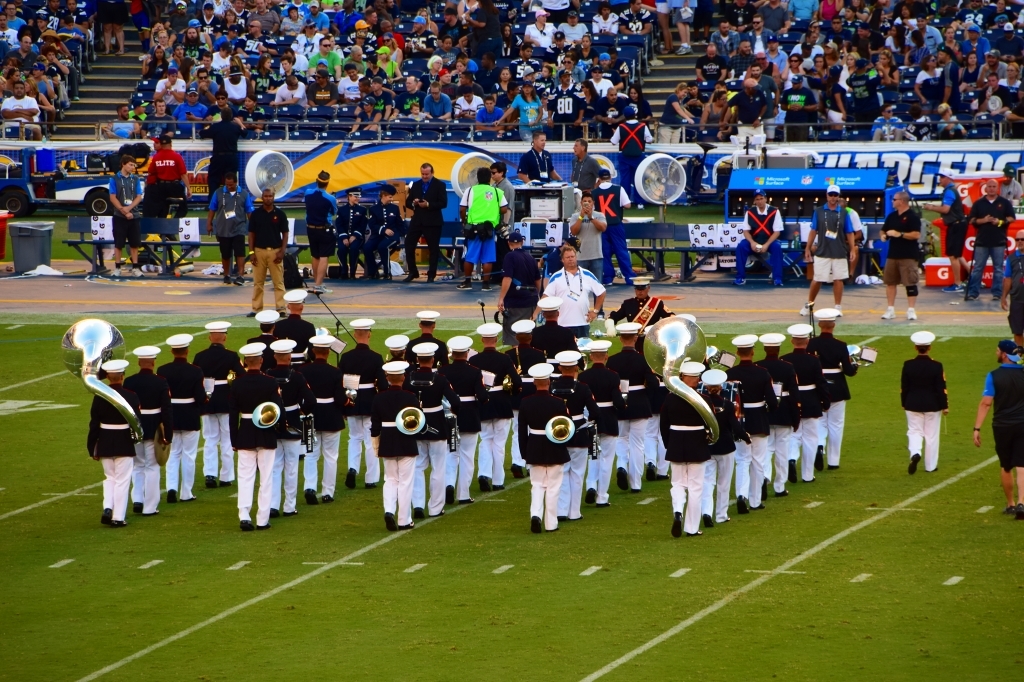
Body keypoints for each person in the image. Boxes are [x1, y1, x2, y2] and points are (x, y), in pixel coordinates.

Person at [228, 342, 283, 531]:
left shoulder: (237, 383)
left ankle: (244, 516)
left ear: (245, 362)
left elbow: (233, 414)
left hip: (244, 432)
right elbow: (277, 410)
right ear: (261, 361)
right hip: (266, 432)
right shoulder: (270, 382)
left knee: (245, 477)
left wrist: (234, 439)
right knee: (266, 478)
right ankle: (262, 519)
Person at [404, 342, 459, 519]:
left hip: (414, 425)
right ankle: (435, 507)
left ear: (417, 359)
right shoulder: (440, 379)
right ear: (433, 359)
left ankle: (418, 505)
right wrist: (453, 411)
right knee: (438, 468)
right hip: (437, 425)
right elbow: (455, 401)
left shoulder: (408, 378)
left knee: (417, 467)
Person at [726, 334, 778, 513]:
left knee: (742, 459)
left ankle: (741, 495)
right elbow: (772, 401)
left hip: (739, 420)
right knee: (758, 461)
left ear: (737, 352)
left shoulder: (730, 374)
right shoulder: (762, 372)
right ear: (753, 352)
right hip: (759, 419)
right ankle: (755, 500)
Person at [974, 339, 1024, 519]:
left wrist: (977, 428)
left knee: (1006, 465)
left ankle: (1011, 504)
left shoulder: (994, 376)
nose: (996, 353)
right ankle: (1022, 502)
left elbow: (986, 403)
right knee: (1022, 465)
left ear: (1004, 355)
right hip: (1022, 424)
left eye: (997, 350)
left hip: (1002, 425)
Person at [659, 361, 710, 537]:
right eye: (695, 377)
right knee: (695, 487)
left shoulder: (670, 398)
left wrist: (669, 444)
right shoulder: (704, 399)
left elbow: (663, 424)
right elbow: (711, 424)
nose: (697, 379)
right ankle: (691, 528)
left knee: (677, 484)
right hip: (697, 444)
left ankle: (678, 511)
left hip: (676, 443)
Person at [519, 362, 571, 533]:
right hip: (555, 446)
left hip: (534, 446)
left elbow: (521, 431)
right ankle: (551, 523)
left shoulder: (526, 402)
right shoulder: (558, 402)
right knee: (553, 487)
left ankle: (536, 515)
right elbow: (566, 427)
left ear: (535, 382)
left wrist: (524, 452)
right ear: (549, 382)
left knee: (537, 485)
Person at [88, 359, 141, 527]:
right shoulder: (131, 396)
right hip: (123, 441)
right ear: (122, 376)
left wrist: (92, 446)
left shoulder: (100, 396)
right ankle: (118, 517)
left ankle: (107, 508)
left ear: (108, 378)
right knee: (122, 480)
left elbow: (94, 423)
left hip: (104, 440)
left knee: (109, 478)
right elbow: (137, 421)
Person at [265, 340, 315, 518]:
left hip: (272, 422)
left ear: (275, 356)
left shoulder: (267, 375)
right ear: (289, 357)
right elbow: (311, 400)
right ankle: (289, 506)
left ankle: (273, 505)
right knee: (292, 467)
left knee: (274, 467)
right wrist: (303, 411)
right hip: (292, 422)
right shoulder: (297, 376)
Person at [469, 322, 521, 492]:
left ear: (482, 340)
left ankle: (484, 474)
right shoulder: (504, 358)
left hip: (483, 402)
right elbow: (517, 381)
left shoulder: (474, 360)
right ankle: (498, 480)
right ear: (496, 339)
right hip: (501, 402)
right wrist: (511, 392)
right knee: (499, 443)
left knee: (485, 439)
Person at [607, 321, 658, 492]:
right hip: (640, 403)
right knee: (638, 444)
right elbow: (653, 383)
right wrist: (645, 395)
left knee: (622, 438)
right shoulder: (643, 359)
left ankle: (622, 465)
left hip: (620, 403)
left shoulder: (612, 360)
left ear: (621, 339)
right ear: (636, 338)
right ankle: (636, 483)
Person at [295, 335, 346, 505]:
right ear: (328, 352)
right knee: (330, 456)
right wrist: (348, 403)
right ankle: (327, 493)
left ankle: (309, 487)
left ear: (313, 351)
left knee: (310, 454)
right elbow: (340, 398)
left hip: (310, 416)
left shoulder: (303, 370)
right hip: (331, 416)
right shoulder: (335, 371)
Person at [125, 346, 173, 517]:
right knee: (152, 466)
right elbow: (166, 409)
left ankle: (137, 500)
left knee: (137, 465)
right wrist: (168, 434)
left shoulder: (129, 381)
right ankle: (150, 506)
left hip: (135, 426)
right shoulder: (160, 381)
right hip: (153, 427)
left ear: (139, 362)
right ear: (153, 362)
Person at [439, 335, 488, 504]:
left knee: (450, 453)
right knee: (467, 456)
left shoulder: (443, 371)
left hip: (448, 414)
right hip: (469, 415)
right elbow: (482, 396)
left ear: (452, 354)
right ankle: (463, 494)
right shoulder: (474, 371)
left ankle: (449, 484)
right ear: (467, 353)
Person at [157, 334, 206, 504]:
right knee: (189, 455)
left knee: (172, 454)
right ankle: (186, 492)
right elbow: (200, 397)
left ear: (172, 351)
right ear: (187, 351)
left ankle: (171, 488)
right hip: (190, 415)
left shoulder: (163, 370)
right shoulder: (195, 370)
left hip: (170, 415)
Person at [339, 318, 386, 490]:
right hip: (370, 401)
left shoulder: (346, 357)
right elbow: (383, 384)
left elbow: (343, 383)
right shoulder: (376, 357)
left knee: (354, 437)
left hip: (352, 399)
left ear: (354, 334)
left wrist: (345, 404)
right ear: (369, 334)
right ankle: (370, 479)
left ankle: (353, 468)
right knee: (370, 440)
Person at [806, 308, 856, 471]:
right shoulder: (840, 345)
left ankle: (819, 446)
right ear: (833, 325)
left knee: (819, 421)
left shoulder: (811, 343)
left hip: (817, 386)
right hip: (837, 387)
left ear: (819, 325)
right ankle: (833, 461)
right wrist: (855, 367)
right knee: (836, 425)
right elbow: (849, 371)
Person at [194, 321, 242, 488]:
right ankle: (226, 476)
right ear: (224, 337)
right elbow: (241, 375)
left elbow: (196, 378)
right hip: (226, 400)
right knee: (227, 439)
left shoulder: (200, 356)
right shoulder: (231, 356)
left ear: (210, 338)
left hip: (207, 399)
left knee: (210, 439)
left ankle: (210, 474)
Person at [553, 349, 600, 522]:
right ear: (576, 368)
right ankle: (574, 512)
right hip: (578, 432)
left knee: (562, 472)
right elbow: (595, 412)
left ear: (559, 368)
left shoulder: (552, 386)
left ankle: (561, 510)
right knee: (577, 473)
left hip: (557, 432)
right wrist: (587, 422)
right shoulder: (583, 387)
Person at [373, 360, 420, 530]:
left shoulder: (379, 397)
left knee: (390, 479)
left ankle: (389, 510)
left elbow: (375, 426)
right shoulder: (410, 397)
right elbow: (418, 420)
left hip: (387, 440)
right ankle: (404, 520)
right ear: (403, 377)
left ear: (387, 378)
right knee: (405, 481)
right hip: (406, 440)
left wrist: (376, 446)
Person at [578, 339, 625, 507]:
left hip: (591, 418)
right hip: (609, 419)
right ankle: (602, 496)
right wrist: (624, 403)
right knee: (607, 459)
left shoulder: (583, 376)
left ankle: (591, 485)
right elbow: (618, 401)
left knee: (594, 455)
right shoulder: (613, 375)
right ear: (606, 356)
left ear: (591, 356)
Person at [781, 323, 830, 483]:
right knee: (811, 438)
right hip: (811, 401)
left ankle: (791, 459)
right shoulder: (813, 360)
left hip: (791, 401)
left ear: (792, 341)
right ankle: (807, 475)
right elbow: (821, 383)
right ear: (807, 342)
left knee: (793, 435)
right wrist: (825, 401)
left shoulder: (785, 360)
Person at [699, 367, 746, 528]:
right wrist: (746, 437)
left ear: (706, 387)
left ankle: (706, 512)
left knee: (707, 481)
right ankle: (721, 515)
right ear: (720, 387)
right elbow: (735, 427)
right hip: (726, 446)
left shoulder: (701, 405)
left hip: (707, 446)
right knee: (724, 483)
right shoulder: (728, 404)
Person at [801, 185, 856, 318]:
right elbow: (813, 230)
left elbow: (849, 232)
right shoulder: (819, 211)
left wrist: (852, 249)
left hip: (839, 250)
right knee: (817, 279)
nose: (833, 197)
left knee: (838, 279)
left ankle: (838, 306)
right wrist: (807, 247)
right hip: (822, 250)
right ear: (826, 195)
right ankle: (809, 304)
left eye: (835, 195)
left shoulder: (844, 212)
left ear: (838, 196)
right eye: (830, 194)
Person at [755, 333, 800, 497]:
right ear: (779, 349)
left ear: (765, 349)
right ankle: (780, 486)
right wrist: (796, 417)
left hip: (764, 413)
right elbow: (794, 394)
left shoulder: (758, 366)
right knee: (782, 451)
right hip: (784, 412)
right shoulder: (787, 367)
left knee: (766, 450)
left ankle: (764, 478)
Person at [900, 331, 948, 475]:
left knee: (914, 431)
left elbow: (904, 386)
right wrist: (945, 405)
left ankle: (915, 452)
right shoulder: (936, 365)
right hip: (933, 404)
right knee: (931, 435)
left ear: (915, 347)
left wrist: (904, 402)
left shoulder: (908, 364)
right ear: (929, 347)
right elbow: (941, 388)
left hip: (912, 403)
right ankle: (930, 466)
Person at [458, 166, 510, 291]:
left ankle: (467, 282)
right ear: (489, 178)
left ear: (477, 178)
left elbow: (462, 209)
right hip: (489, 229)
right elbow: (504, 209)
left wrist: (464, 221)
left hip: (473, 229)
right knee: (488, 258)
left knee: (470, 256)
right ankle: (486, 284)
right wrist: (492, 210)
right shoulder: (497, 192)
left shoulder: (470, 191)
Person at [967, 179, 1017, 302]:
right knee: (978, 268)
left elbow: (1012, 218)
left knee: (998, 268)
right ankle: (973, 292)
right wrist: (983, 220)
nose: (991, 189)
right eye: (989, 186)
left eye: (994, 186)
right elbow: (971, 219)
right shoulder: (979, 203)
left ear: (997, 188)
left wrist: (1000, 222)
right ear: (985, 188)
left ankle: (997, 293)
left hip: (998, 241)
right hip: (981, 241)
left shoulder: (1004, 202)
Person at [880, 191, 923, 321]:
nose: (892, 201)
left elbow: (916, 234)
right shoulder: (892, 216)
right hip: (893, 254)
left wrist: (900, 234)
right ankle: (890, 309)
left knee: (910, 282)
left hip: (908, 254)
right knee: (890, 282)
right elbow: (883, 229)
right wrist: (883, 235)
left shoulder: (913, 217)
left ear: (902, 201)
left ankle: (911, 310)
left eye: (894, 199)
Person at [924, 170, 968, 293]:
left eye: (942, 177)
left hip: (956, 225)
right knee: (957, 254)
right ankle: (975, 278)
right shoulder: (951, 190)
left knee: (953, 255)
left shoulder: (949, 191)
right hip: (958, 224)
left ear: (949, 178)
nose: (940, 179)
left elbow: (945, 209)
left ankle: (958, 283)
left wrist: (931, 207)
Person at [403, 163, 448, 283]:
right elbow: (407, 202)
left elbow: (443, 203)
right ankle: (413, 271)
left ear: (432, 173)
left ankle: (431, 274)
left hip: (433, 221)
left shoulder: (440, 185)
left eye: (427, 174)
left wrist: (428, 204)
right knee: (409, 244)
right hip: (417, 220)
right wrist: (414, 203)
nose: (424, 176)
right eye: (422, 174)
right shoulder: (416, 185)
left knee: (433, 248)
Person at [206, 171, 253, 286]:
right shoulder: (218, 193)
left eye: (231, 185)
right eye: (227, 184)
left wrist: (253, 226)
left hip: (239, 228)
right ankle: (226, 275)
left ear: (236, 183)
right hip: (223, 228)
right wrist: (209, 224)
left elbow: (249, 211)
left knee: (240, 252)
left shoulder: (244, 194)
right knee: (225, 254)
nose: (229, 187)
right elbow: (212, 209)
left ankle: (240, 275)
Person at [496, 231, 542, 346]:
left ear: (509, 243)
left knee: (516, 336)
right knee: (528, 335)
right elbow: (538, 280)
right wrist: (536, 294)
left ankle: (518, 357)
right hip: (531, 300)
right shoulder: (530, 257)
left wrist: (501, 298)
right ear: (522, 242)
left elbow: (507, 278)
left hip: (516, 301)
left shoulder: (509, 256)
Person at [592, 168, 636, 286]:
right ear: (610, 177)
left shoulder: (594, 193)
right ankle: (629, 277)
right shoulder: (618, 189)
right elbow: (627, 205)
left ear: (599, 179)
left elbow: (592, 210)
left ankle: (608, 278)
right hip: (616, 224)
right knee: (621, 251)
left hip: (602, 226)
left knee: (604, 252)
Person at [606, 278, 673, 354]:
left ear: (648, 288)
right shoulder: (628, 303)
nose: (640, 292)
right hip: (633, 343)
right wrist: (610, 326)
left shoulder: (657, 303)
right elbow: (612, 316)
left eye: (642, 289)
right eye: (637, 289)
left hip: (650, 342)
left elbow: (671, 317)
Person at [735, 188, 784, 286]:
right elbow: (746, 231)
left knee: (777, 247)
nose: (760, 201)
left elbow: (777, 232)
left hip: (769, 241)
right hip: (754, 240)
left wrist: (766, 245)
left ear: (766, 199)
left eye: (761, 198)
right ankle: (740, 277)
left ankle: (777, 278)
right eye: (757, 199)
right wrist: (752, 242)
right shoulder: (750, 212)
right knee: (741, 247)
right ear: (754, 201)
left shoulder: (774, 211)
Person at [108, 155, 144, 278]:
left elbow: (139, 196)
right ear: (123, 164)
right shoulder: (114, 179)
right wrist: (123, 211)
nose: (132, 167)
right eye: (130, 165)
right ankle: (117, 267)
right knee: (119, 243)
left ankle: (135, 268)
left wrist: (129, 209)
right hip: (119, 216)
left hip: (134, 215)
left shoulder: (136, 179)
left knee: (134, 243)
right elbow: (112, 197)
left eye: (134, 165)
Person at [609, 104, 652, 208]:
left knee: (625, 180)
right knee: (639, 179)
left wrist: (617, 133)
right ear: (635, 114)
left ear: (624, 116)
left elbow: (613, 142)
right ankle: (640, 203)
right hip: (639, 156)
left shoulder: (621, 127)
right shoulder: (643, 126)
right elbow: (649, 140)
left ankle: (625, 202)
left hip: (624, 156)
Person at [303, 170, 337, 293]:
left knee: (315, 255)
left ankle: (316, 283)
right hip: (324, 229)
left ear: (317, 181)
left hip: (310, 228)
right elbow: (334, 211)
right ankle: (318, 285)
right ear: (327, 183)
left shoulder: (308, 193)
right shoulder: (330, 198)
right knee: (324, 256)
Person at [198, 109, 247, 196]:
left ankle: (213, 201)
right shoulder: (236, 127)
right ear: (231, 116)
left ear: (221, 116)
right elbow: (245, 133)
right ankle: (231, 200)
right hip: (231, 158)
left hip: (218, 157)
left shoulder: (216, 126)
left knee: (213, 180)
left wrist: (209, 124)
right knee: (231, 181)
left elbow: (202, 133)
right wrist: (240, 123)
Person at [363, 184, 404, 281]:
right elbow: (372, 224)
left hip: (392, 235)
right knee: (367, 248)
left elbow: (399, 223)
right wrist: (383, 230)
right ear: (383, 195)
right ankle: (372, 272)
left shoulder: (394, 208)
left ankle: (387, 272)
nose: (391, 199)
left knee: (383, 247)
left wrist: (402, 236)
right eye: (390, 197)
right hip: (378, 235)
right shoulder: (373, 209)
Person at [144, 134, 190, 219]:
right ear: (171, 144)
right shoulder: (177, 156)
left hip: (160, 187)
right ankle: (174, 223)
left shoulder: (156, 157)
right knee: (183, 208)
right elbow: (183, 174)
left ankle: (163, 226)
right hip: (174, 186)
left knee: (163, 210)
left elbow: (151, 172)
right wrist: (189, 188)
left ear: (161, 144)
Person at [569, 192, 608, 281]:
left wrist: (591, 217)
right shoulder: (575, 216)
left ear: (593, 203)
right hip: (581, 256)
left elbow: (603, 228)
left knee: (597, 284)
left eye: (589, 201)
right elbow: (574, 231)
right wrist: (581, 217)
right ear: (581, 203)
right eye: (585, 201)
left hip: (596, 256)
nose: (587, 203)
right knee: (580, 283)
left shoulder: (599, 215)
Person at [335, 188, 368, 281]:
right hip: (343, 236)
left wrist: (355, 235)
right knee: (341, 249)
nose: (358, 198)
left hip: (357, 237)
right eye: (355, 196)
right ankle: (344, 271)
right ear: (349, 197)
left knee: (354, 249)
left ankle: (353, 272)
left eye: (359, 196)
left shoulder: (362, 210)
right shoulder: (341, 210)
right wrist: (344, 237)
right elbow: (339, 224)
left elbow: (363, 225)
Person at [1002, 230, 1024, 347]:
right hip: (1017, 298)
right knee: (1017, 331)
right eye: (1017, 239)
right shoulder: (1011, 258)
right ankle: (1019, 354)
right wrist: (1004, 297)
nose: (1020, 242)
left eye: (1022, 239)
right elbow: (1008, 278)